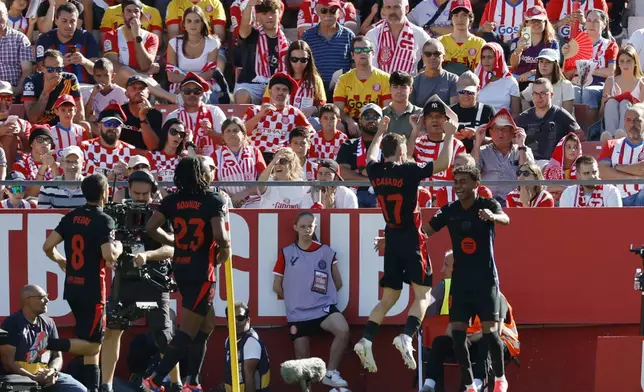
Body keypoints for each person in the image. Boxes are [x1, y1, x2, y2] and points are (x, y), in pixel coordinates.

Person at [353, 105, 457, 372]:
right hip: (412, 237)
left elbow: (370, 156)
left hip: (390, 235)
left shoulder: (375, 171)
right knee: (423, 295)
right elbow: (443, 164)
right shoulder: (409, 171)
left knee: (388, 297)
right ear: (401, 153)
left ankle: (366, 339)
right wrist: (449, 136)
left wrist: (379, 134)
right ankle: (406, 336)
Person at [142, 157, 230, 392]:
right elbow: (220, 236)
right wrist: (226, 249)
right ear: (202, 175)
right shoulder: (213, 199)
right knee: (189, 330)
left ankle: (193, 381)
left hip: (181, 266)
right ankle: (155, 379)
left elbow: (151, 227)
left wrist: (172, 240)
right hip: (203, 270)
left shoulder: (172, 200)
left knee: (207, 323)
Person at [424, 164, 510, 392]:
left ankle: (500, 378)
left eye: (463, 181)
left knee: (491, 332)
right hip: (461, 283)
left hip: (486, 280)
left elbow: (505, 219)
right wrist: (395, 240)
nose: (458, 186)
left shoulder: (487, 205)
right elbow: (426, 232)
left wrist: (493, 216)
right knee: (458, 333)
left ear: (476, 185)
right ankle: (471, 384)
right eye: (456, 181)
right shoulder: (449, 210)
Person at [100, 170, 181, 392]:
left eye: (145, 194)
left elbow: (172, 249)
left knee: (164, 336)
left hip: (154, 281)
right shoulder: (117, 213)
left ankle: (176, 383)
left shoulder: (162, 213)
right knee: (113, 329)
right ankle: (106, 385)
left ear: (153, 193)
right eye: (136, 193)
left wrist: (147, 256)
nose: (140, 198)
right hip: (126, 281)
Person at [42, 174, 124, 392]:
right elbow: (109, 255)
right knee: (95, 344)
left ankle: (91, 388)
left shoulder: (71, 216)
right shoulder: (104, 219)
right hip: (93, 290)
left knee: (89, 341)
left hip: (72, 286)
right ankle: (47, 343)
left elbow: (48, 246)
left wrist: (61, 261)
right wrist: (119, 246)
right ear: (105, 193)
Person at [273, 212, 350, 388]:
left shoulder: (326, 252)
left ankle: (330, 372)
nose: (307, 229)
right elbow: (277, 286)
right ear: (295, 228)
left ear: (315, 227)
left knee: (343, 330)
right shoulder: (286, 253)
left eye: (310, 225)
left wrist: (316, 298)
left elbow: (337, 282)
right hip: (298, 314)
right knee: (303, 363)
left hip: (322, 309)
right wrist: (297, 298)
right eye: (303, 226)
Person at [0, 284, 87, 391]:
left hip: (48, 375)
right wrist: (34, 378)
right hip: (22, 377)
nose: (47, 300)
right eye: (41, 297)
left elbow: (57, 356)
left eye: (47, 296)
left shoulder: (49, 323)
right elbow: (8, 363)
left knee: (79, 389)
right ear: (27, 300)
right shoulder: (12, 323)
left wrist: (52, 371)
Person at [407, 95, 466, 207]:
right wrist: (415, 131)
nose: (434, 120)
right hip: (420, 201)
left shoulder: (457, 145)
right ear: (424, 121)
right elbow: (405, 162)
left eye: (439, 116)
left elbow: (462, 176)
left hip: (449, 201)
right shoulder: (418, 142)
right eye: (430, 116)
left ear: (446, 120)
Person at [243, 72, 313, 162]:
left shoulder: (295, 113)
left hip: (281, 159)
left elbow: (309, 132)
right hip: (254, 157)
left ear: (289, 94)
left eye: (284, 90)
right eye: (277, 89)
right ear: (270, 91)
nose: (280, 93)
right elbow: (242, 131)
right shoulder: (254, 110)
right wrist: (260, 115)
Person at [564, 9, 616, 125]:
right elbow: (567, 74)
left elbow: (611, 71)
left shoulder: (610, 46)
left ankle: (590, 131)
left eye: (596, 21)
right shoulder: (575, 44)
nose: (591, 24)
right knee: (572, 91)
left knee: (588, 92)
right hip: (576, 83)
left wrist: (587, 69)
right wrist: (566, 56)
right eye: (589, 21)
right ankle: (573, 129)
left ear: (604, 25)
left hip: (599, 84)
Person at [333, 36, 392, 137]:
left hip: (376, 121)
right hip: (353, 123)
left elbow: (387, 110)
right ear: (352, 55)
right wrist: (349, 121)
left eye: (366, 49)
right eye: (358, 50)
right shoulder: (343, 79)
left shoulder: (385, 78)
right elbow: (338, 109)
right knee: (338, 126)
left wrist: (371, 123)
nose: (362, 53)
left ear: (373, 53)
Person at [34, 2, 98, 90]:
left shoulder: (87, 37)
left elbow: (97, 71)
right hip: (54, 87)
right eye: (64, 21)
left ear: (77, 21)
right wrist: (59, 64)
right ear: (56, 21)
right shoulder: (45, 39)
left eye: (72, 21)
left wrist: (84, 61)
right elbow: (40, 69)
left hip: (83, 87)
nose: (69, 25)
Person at [234, 0, 288, 104]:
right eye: (264, 14)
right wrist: (249, 5)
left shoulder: (286, 44)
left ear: (280, 14)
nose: (270, 17)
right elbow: (245, 26)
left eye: (272, 13)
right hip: (250, 84)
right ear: (258, 16)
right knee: (242, 96)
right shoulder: (251, 35)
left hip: (276, 85)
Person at [515, 78, 582, 161]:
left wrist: (566, 148)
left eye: (543, 93)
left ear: (552, 94)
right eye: (535, 93)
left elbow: (579, 134)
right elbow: (513, 141)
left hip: (554, 162)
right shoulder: (523, 117)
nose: (539, 97)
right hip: (529, 162)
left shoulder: (561, 114)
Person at [166, 6, 223, 97]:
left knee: (203, 95)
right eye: (189, 21)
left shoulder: (212, 43)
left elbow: (209, 73)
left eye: (197, 21)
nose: (193, 25)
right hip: (180, 84)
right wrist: (189, 83)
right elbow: (171, 76)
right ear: (184, 24)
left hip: (204, 83)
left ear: (202, 23)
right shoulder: (173, 43)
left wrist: (193, 83)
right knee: (183, 95)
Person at [262, 40, 327, 118]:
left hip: (306, 121)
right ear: (288, 59)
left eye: (303, 60)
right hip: (280, 119)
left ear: (309, 60)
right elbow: (265, 103)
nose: (298, 64)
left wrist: (313, 109)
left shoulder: (315, 80)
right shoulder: (277, 77)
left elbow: (323, 106)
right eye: (294, 59)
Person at [301, 0, 356, 94]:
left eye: (333, 10)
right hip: (314, 90)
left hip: (343, 91)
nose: (328, 14)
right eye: (324, 10)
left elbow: (354, 64)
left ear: (339, 13)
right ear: (318, 11)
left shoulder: (349, 35)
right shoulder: (307, 37)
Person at [166, 72, 227, 156]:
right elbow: (166, 147)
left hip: (211, 162)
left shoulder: (214, 112)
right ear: (181, 93)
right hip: (181, 163)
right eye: (187, 91)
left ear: (202, 93)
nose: (192, 94)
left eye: (196, 91)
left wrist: (210, 132)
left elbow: (225, 141)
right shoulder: (173, 116)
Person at [335, 103, 383, 207]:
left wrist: (358, 171)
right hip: (353, 195)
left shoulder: (388, 144)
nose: (372, 120)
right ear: (360, 121)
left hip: (381, 196)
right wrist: (370, 180)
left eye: (376, 117)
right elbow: (342, 173)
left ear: (382, 121)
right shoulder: (349, 144)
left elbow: (391, 172)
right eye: (367, 117)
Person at [212, 117, 266, 208]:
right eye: (228, 131)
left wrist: (243, 194)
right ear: (223, 136)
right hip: (226, 203)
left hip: (254, 202)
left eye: (235, 130)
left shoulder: (255, 152)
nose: (232, 134)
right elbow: (212, 184)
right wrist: (230, 199)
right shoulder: (215, 156)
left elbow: (264, 181)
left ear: (244, 134)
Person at [365, 0, 431, 75]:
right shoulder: (373, 34)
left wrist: (423, 73)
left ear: (406, 8)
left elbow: (434, 52)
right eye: (388, 7)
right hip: (380, 84)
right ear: (383, 10)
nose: (392, 12)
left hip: (408, 85)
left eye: (396, 7)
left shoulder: (418, 33)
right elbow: (369, 67)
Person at [597, 103, 644, 206]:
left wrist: (618, 167)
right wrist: (635, 179)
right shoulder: (612, 145)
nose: (632, 124)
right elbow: (602, 172)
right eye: (628, 120)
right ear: (624, 123)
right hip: (617, 196)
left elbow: (642, 168)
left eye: (637, 120)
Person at [23, 49, 85, 126]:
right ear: (43, 68)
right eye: (50, 69)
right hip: (40, 127)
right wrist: (46, 92)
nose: (55, 74)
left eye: (59, 69)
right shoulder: (31, 81)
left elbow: (80, 116)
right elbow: (33, 119)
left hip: (64, 126)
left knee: (85, 125)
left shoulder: (70, 79)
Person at [509, 5, 559, 90]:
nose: (536, 23)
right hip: (518, 78)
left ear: (545, 23)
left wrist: (530, 73)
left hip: (541, 79)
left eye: (539, 21)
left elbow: (554, 67)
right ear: (526, 23)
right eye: (533, 21)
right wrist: (518, 50)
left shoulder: (552, 43)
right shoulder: (517, 41)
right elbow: (513, 65)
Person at [224, 302, 271, 392]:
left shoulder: (251, 342)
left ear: (248, 320)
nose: (236, 322)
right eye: (232, 318)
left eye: (240, 318)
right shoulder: (228, 340)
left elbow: (249, 377)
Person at [599, 46, 644, 141]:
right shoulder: (610, 81)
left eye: (629, 61)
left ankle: (623, 134)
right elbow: (600, 114)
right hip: (609, 122)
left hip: (635, 126)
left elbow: (642, 112)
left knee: (625, 102)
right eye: (622, 61)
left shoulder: (641, 83)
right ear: (618, 64)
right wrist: (606, 101)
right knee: (611, 103)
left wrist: (628, 100)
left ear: (635, 63)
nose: (625, 64)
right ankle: (610, 137)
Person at [81, 104, 135, 178]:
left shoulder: (130, 151)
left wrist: (128, 172)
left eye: (116, 124)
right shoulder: (85, 147)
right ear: (99, 126)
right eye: (108, 123)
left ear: (121, 128)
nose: (112, 127)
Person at [450, 72, 495, 153]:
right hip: (453, 157)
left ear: (478, 90)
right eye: (462, 91)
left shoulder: (487, 111)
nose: (466, 95)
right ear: (457, 89)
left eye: (470, 92)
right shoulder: (449, 112)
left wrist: (477, 137)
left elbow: (498, 141)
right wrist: (450, 137)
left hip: (481, 158)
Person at [520, 48, 575, 115]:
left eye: (548, 62)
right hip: (540, 124)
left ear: (555, 65)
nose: (544, 65)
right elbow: (521, 97)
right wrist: (528, 110)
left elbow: (567, 115)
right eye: (541, 61)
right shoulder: (534, 85)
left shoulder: (566, 85)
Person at [438, 0, 485, 75]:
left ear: (470, 18)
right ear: (451, 19)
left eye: (464, 15)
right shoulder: (440, 42)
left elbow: (481, 71)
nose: (460, 19)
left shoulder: (479, 43)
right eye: (456, 15)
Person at [475, 42, 521, 116]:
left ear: (498, 58)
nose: (486, 60)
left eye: (490, 57)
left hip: (503, 125)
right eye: (483, 57)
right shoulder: (475, 79)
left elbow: (516, 113)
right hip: (479, 124)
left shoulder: (510, 81)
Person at [119, 76, 164, 150]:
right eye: (134, 88)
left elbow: (153, 147)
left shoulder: (156, 115)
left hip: (145, 158)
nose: (138, 91)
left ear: (148, 93)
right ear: (126, 93)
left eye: (141, 88)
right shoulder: (119, 111)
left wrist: (142, 116)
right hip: (121, 154)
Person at [410, 38, 459, 107]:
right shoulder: (415, 81)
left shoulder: (453, 79)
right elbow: (412, 109)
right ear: (423, 57)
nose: (432, 57)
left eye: (437, 53)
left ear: (443, 57)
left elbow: (454, 108)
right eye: (428, 54)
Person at [0, 1, 34, 95]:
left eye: (0, 15)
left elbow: (27, 71)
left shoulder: (21, 39)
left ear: (6, 15)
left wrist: (16, 91)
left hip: (13, 94)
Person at [542, 132, 582, 199]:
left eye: (576, 147)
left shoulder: (582, 168)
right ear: (562, 148)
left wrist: (559, 188)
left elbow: (581, 191)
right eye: (569, 147)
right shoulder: (550, 167)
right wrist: (568, 190)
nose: (573, 150)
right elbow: (547, 189)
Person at [383, 70, 422, 139]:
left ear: (410, 90)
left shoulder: (420, 114)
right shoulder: (382, 114)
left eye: (403, 87)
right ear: (390, 89)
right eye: (395, 87)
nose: (399, 91)